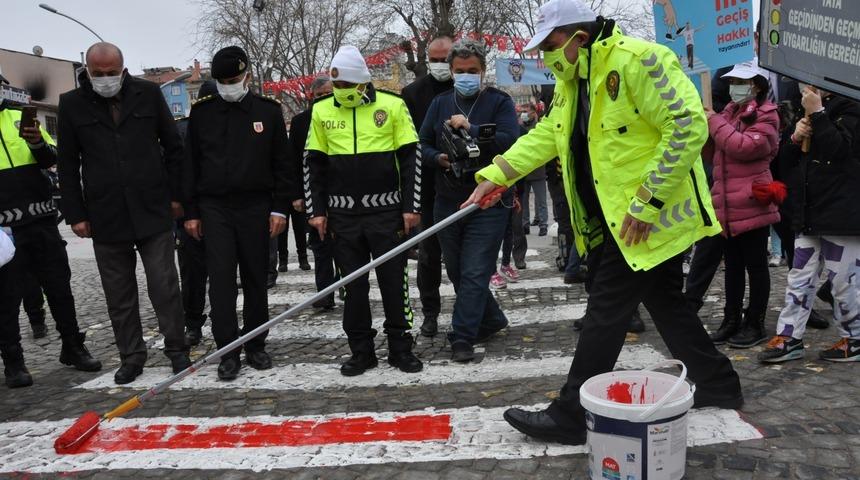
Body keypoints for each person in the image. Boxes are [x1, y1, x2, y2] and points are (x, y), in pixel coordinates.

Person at [464, 0, 743, 444]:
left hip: (642, 220)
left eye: (551, 45)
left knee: (605, 312)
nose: (546, 56)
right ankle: (718, 383)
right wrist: (497, 175)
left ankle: (572, 416)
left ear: (578, 36)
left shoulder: (641, 60)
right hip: (612, 221)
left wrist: (647, 202)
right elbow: (544, 137)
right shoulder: (572, 83)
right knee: (667, 304)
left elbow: (688, 125)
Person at [58, 43, 189, 385]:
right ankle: (131, 356)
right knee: (119, 294)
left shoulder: (147, 94)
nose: (105, 79)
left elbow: (174, 149)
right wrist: (75, 214)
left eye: (111, 73)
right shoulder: (71, 104)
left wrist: (177, 197)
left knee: (164, 286)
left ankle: (177, 348)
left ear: (123, 68)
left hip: (153, 207)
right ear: (87, 69)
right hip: (106, 213)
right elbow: (68, 165)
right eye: (97, 74)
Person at [305, 45, 423, 376]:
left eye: (346, 86)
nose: (340, 91)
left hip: (386, 213)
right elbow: (313, 163)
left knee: (393, 282)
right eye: (336, 85)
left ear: (362, 82)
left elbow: (411, 159)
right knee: (351, 287)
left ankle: (400, 347)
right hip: (342, 217)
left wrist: (411, 207)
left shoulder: (393, 105)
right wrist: (316, 210)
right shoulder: (321, 110)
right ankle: (361, 350)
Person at [182, 46, 295, 381]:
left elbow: (282, 166)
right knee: (220, 282)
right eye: (221, 81)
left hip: (256, 206)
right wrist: (191, 213)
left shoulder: (268, 111)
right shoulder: (202, 113)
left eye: (233, 80)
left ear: (246, 76)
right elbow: (191, 165)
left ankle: (256, 344)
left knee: (256, 278)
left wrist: (280, 208)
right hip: (214, 207)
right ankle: (227, 350)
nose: (227, 86)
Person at [420, 39, 519, 362]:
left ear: (483, 71)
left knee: (476, 270)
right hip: (447, 198)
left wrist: (473, 129)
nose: (466, 76)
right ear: (451, 71)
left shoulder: (499, 101)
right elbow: (421, 145)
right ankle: (491, 318)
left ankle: (462, 336)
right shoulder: (439, 103)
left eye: (472, 71)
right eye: (460, 71)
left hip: (489, 200)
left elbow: (511, 141)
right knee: (459, 272)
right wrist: (440, 159)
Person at [1, 94, 102, 388]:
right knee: (6, 298)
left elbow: (51, 158)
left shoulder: (20, 115)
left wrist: (36, 142)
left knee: (59, 287)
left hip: (41, 220)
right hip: (3, 230)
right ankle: (13, 362)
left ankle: (73, 346)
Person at [758, 86, 860, 363]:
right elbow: (785, 162)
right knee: (799, 279)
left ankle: (855, 338)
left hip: (842, 216)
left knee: (844, 282)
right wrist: (794, 137)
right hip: (808, 215)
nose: (807, 87)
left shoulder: (852, 107)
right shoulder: (806, 112)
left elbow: (841, 151)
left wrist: (819, 114)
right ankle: (789, 337)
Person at [703, 61, 781, 348]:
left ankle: (755, 322)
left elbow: (744, 147)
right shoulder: (728, 112)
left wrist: (714, 122)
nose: (734, 87)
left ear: (756, 86)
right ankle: (731, 318)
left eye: (740, 82)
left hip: (752, 201)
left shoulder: (768, 115)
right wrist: (705, 129)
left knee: (756, 265)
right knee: (733, 266)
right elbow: (716, 153)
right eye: (732, 82)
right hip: (726, 203)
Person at [401, 36, 455, 337]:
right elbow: (409, 148)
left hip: (462, 184)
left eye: (443, 59)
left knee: (463, 256)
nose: (439, 65)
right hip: (427, 185)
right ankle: (430, 312)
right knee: (429, 255)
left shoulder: (466, 87)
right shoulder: (412, 93)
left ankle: (470, 310)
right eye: (433, 59)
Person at [174, 81, 217, 346]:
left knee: (217, 274)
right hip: (191, 213)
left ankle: (204, 322)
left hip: (219, 211)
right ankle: (192, 322)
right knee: (192, 275)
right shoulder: (181, 129)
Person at [290, 75, 338, 311]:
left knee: (343, 244)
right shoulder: (300, 122)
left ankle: (347, 286)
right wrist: (298, 194)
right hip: (312, 191)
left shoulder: (343, 115)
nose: (324, 98)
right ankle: (325, 292)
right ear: (312, 97)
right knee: (320, 245)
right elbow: (294, 161)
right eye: (319, 95)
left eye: (328, 93)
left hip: (340, 190)